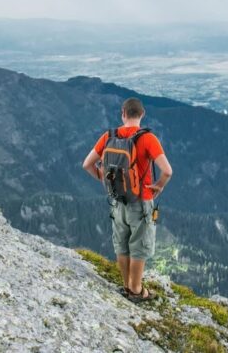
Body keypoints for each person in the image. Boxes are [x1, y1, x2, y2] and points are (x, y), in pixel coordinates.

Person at [82, 97, 173, 302]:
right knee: (138, 245)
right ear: (142, 114)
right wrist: (158, 186)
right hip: (140, 201)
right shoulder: (148, 138)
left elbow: (87, 164)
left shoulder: (109, 136)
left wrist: (106, 183)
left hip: (117, 200)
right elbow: (167, 171)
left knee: (122, 244)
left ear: (123, 113)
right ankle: (136, 290)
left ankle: (126, 285)